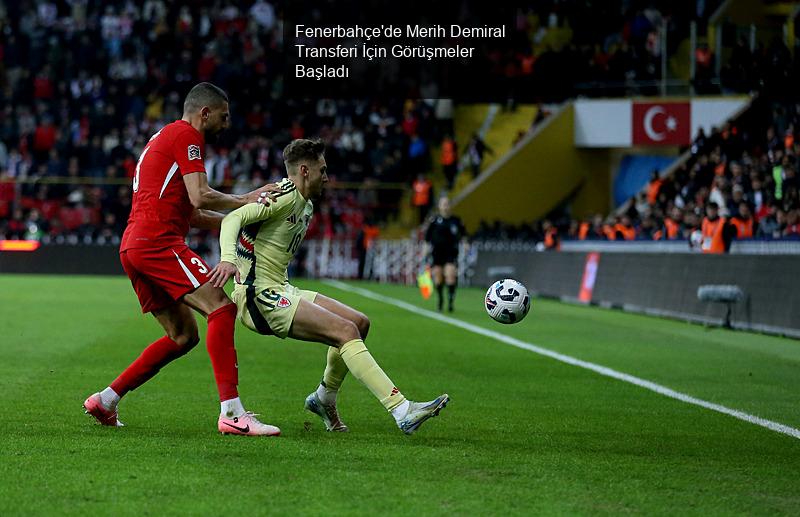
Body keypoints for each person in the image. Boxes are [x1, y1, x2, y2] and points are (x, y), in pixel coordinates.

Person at [208, 139, 449, 435]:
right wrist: (228, 259)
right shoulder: (282, 195)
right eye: (322, 170)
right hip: (260, 296)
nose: (327, 177)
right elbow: (232, 218)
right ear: (305, 171)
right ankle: (402, 410)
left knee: (358, 324)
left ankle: (324, 398)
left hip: (281, 288)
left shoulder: (305, 204)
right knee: (344, 332)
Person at [83, 82, 283, 436]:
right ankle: (232, 413)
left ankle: (106, 399)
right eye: (223, 116)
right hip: (157, 241)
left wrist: (238, 224)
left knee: (183, 335)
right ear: (204, 113)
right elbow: (201, 194)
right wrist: (247, 199)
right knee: (221, 308)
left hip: (135, 245)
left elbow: (190, 212)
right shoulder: (188, 137)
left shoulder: (162, 138)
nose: (227, 123)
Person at [425, 196, 467, 312]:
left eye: (447, 204)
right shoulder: (434, 220)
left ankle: (450, 301)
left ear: (450, 206)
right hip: (437, 253)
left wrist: (465, 243)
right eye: (443, 204)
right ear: (439, 206)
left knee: (450, 276)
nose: (445, 206)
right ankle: (440, 299)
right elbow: (427, 238)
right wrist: (425, 251)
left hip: (451, 252)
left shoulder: (456, 220)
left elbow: (463, 234)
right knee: (438, 279)